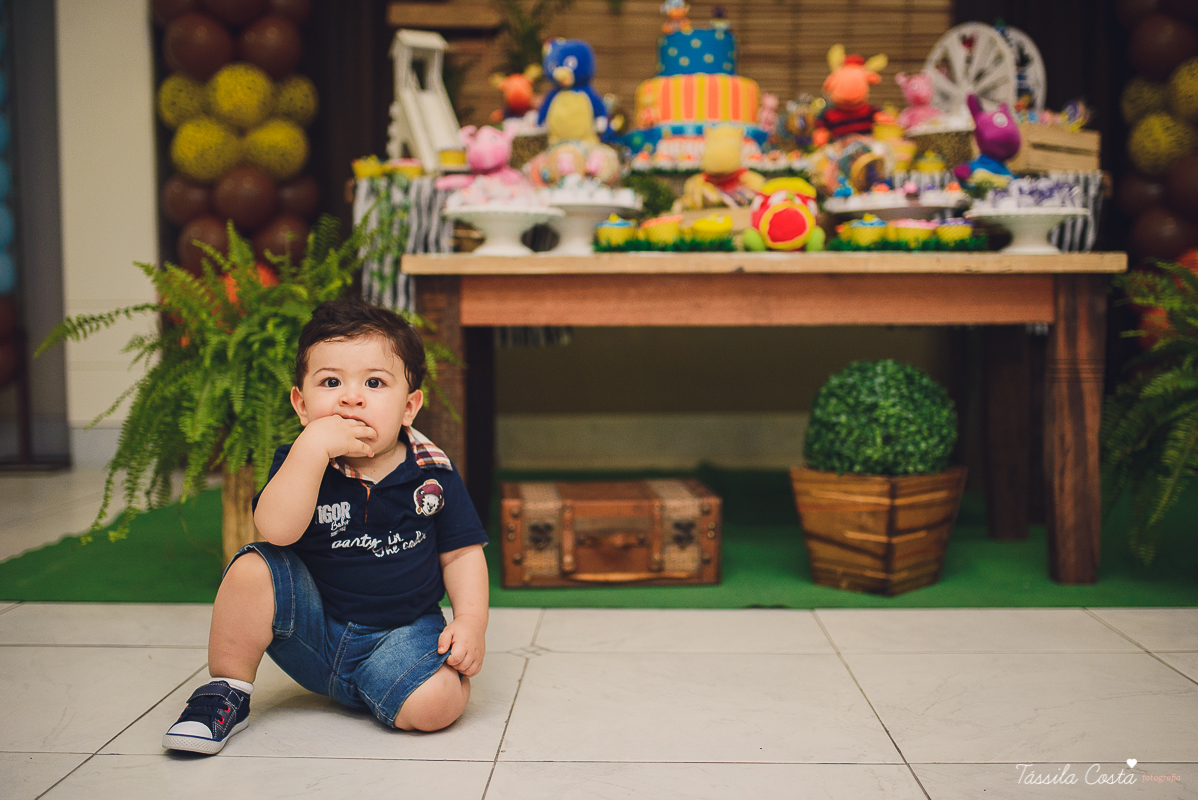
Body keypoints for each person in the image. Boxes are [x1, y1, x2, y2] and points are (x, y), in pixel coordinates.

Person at [162, 299, 489, 755]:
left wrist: (471, 622)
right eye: (331, 382)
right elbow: (276, 530)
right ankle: (226, 690)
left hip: (400, 634)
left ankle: (389, 685)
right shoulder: (300, 461)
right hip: (313, 629)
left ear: (409, 406)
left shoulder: (432, 472)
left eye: (374, 383)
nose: (351, 397)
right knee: (253, 568)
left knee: (437, 706)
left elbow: (462, 553)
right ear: (301, 403)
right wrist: (312, 449)